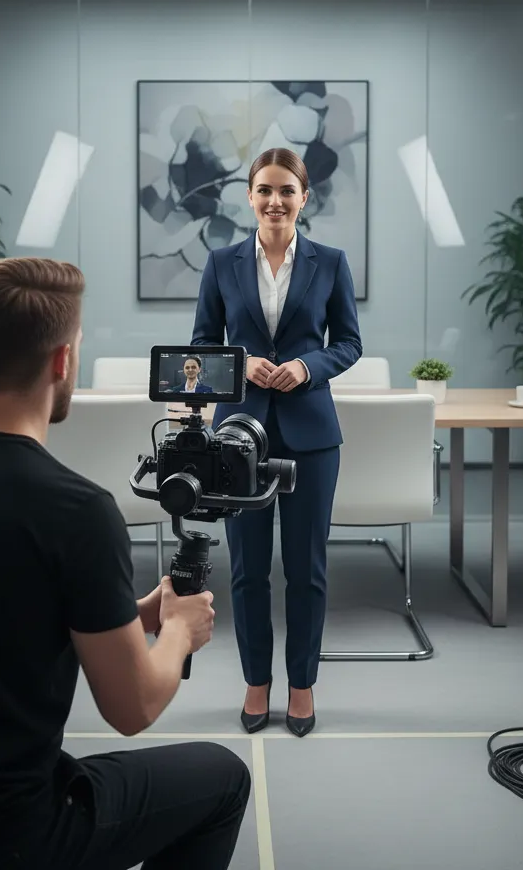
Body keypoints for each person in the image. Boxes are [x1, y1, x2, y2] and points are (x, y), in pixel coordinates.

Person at [0, 257, 251, 870]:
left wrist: (126, 613)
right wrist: (179, 633)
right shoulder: (78, 511)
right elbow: (133, 709)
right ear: (63, 361)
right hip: (0, 834)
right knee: (223, 779)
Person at [191, 147, 362, 738]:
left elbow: (348, 343)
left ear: (304, 197)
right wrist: (244, 366)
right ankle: (256, 683)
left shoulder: (331, 262)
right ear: (249, 196)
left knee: (307, 570)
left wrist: (307, 367)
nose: (275, 201)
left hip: (312, 435)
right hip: (237, 435)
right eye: (264, 190)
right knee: (246, 571)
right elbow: (202, 350)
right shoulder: (220, 263)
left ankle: (303, 686)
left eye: (286, 191)